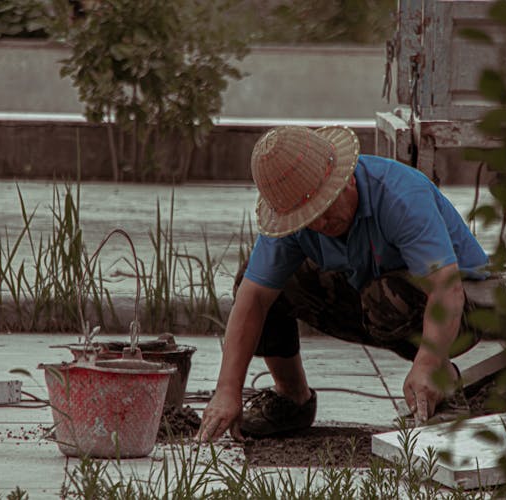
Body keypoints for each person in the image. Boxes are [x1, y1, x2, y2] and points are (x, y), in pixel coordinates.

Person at [197, 125, 489, 442]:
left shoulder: (400, 195)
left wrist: (428, 363)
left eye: (324, 209)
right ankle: (292, 399)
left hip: (466, 307)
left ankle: (441, 385)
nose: (320, 225)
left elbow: (447, 289)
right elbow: (252, 299)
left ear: (345, 180)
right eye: (308, 218)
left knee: (386, 297)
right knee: (253, 283)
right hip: (377, 300)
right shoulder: (294, 220)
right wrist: (227, 389)